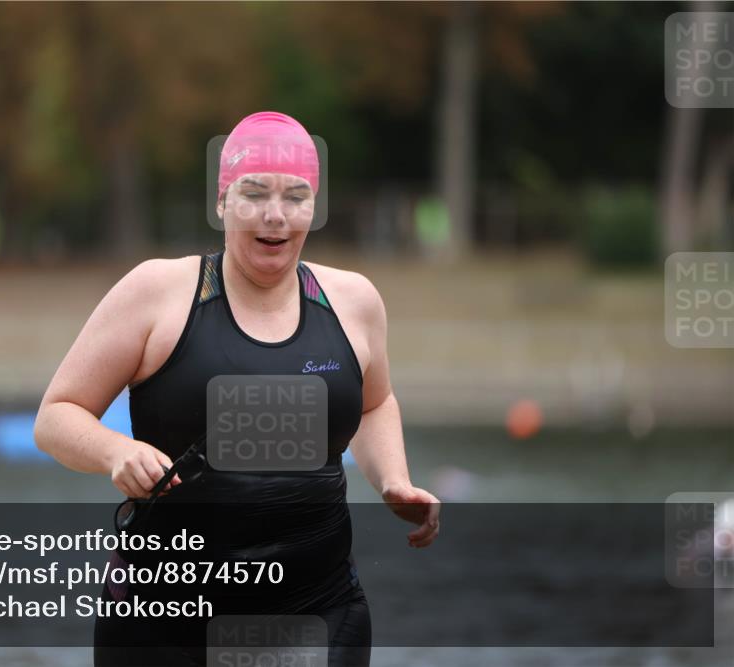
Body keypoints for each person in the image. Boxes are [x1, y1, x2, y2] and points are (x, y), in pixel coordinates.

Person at [34, 111, 441, 666]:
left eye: (295, 196)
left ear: (313, 207)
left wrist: (394, 480)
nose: (275, 214)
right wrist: (115, 451)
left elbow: (374, 404)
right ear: (222, 201)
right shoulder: (156, 293)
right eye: (254, 193)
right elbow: (57, 415)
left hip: (318, 610)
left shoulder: (354, 302)